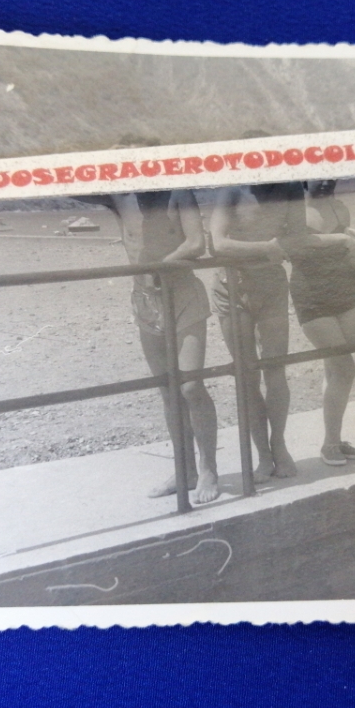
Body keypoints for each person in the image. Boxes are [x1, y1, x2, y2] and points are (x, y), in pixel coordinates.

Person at [95, 188, 221, 504]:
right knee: (167, 390)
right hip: (145, 300)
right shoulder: (119, 197)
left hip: (182, 294)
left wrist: (162, 264)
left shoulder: (177, 193)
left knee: (191, 386)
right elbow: (70, 188)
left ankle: (208, 469)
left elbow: (196, 243)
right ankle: (185, 470)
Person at [208, 180, 303, 481]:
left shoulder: (290, 189)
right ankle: (262, 454)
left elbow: (298, 236)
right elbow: (218, 242)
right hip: (231, 288)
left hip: (272, 285)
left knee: (276, 370)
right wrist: (268, 247)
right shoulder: (232, 189)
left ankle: (279, 444)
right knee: (247, 375)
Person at [288, 179, 355, 466]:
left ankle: (333, 437)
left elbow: (346, 248)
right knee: (344, 368)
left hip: (347, 291)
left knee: (334, 370)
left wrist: (354, 240)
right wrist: (342, 239)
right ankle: (330, 443)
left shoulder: (339, 209)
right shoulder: (293, 210)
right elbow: (297, 246)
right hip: (311, 297)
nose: (323, 182)